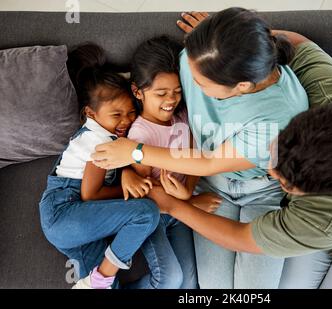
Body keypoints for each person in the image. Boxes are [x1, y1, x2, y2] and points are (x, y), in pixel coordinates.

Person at [92, 9, 332, 289]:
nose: (268, 170)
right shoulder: (330, 93)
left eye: (282, 180)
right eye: (274, 159)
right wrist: (233, 46)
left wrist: (172, 205)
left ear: (307, 193)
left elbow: (243, 236)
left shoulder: (327, 216)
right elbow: (300, 44)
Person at [93, 8, 309, 288]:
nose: (190, 85)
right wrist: (220, 35)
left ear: (240, 86)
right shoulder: (196, 58)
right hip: (211, 186)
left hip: (260, 193)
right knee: (210, 290)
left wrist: (136, 151)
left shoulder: (278, 115)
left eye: (200, 83)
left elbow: (209, 161)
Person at [38, 44, 160, 289]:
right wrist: (132, 191)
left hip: (78, 229)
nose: (126, 121)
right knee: (146, 213)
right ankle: (102, 275)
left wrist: (126, 174)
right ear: (90, 113)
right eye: (116, 115)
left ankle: (98, 280)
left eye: (130, 113)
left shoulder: (103, 134)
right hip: (66, 213)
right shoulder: (98, 140)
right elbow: (90, 194)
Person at [122, 36, 219, 289]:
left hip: (180, 210)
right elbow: (143, 194)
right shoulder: (140, 136)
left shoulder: (183, 116)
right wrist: (191, 202)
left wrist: (188, 191)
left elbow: (196, 158)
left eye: (177, 92)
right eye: (161, 93)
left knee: (189, 285)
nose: (171, 100)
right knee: (171, 279)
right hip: (154, 214)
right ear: (137, 92)